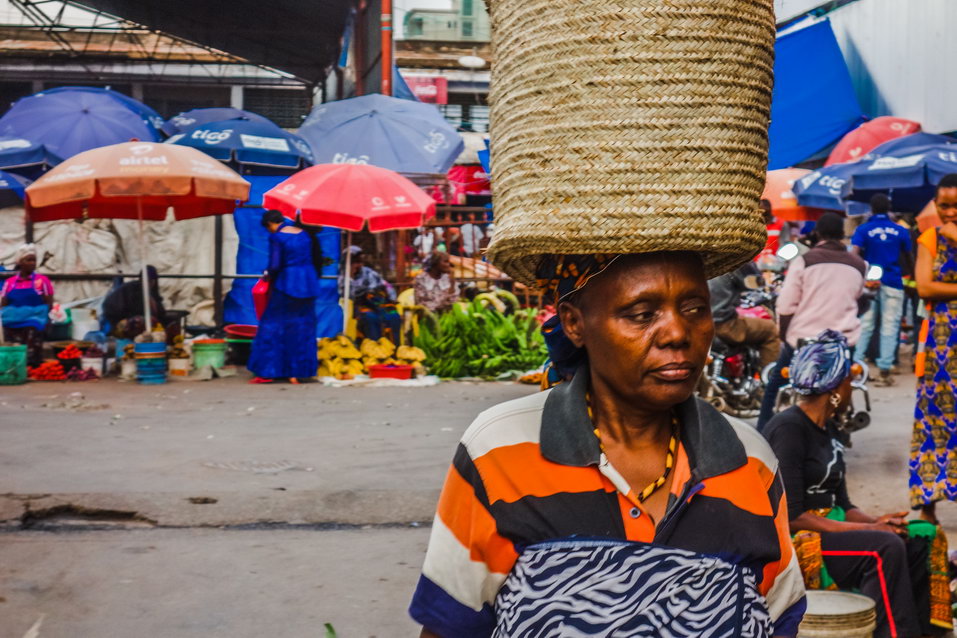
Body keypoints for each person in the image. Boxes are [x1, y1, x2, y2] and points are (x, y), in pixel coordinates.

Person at [410, 252, 806, 637]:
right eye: (641, 314)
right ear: (574, 323)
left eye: (694, 308)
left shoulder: (749, 459)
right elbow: (451, 624)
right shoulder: (499, 450)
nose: (677, 333)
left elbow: (777, 618)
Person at [764, 331, 951, 638]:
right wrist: (870, 531)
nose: (853, 386)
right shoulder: (789, 428)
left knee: (919, 535)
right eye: (850, 379)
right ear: (837, 387)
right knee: (883, 547)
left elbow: (845, 505)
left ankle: (924, 631)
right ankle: (892, 633)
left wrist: (877, 521)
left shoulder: (829, 430)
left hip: (831, 526)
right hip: (801, 539)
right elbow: (793, 516)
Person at [758, 212, 867, 429]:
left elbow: (786, 305)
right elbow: (860, 301)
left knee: (774, 385)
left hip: (803, 341)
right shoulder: (859, 264)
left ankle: (762, 431)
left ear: (817, 234)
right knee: (844, 385)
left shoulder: (804, 261)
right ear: (842, 234)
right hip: (842, 341)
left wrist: (784, 337)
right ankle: (840, 425)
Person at [910, 173, 957, 524]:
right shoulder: (930, 237)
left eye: (955, 205)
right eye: (943, 205)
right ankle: (928, 501)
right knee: (934, 416)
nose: (949, 211)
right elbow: (925, 286)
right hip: (941, 341)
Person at [247, 210, 321, 383]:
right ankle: (298, 372)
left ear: (270, 225)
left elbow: (275, 264)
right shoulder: (304, 234)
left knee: (271, 325)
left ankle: (268, 371)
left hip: (287, 284)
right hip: (308, 283)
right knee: (303, 327)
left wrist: (266, 274)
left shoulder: (277, 237)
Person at [851, 193, 914, 385]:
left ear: (871, 209)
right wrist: (912, 277)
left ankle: (856, 368)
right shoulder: (900, 230)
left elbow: (854, 255)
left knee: (866, 325)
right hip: (893, 281)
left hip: (869, 284)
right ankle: (885, 369)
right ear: (889, 209)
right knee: (890, 326)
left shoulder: (863, 230)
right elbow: (909, 256)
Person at [708, 261, 780, 368]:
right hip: (723, 324)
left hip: (699, 321)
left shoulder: (703, 261)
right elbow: (753, 281)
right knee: (771, 329)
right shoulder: (734, 261)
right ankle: (767, 378)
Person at [0, 243, 53, 366]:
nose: (32, 263)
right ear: (20, 262)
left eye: (34, 260)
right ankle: (14, 364)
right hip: (13, 320)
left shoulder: (42, 281)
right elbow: (4, 304)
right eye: (29, 260)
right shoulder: (10, 283)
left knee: (32, 330)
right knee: (8, 333)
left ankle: (32, 365)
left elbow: (48, 303)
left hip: (35, 319)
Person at [340, 247, 401, 343]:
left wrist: (392, 298)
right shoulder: (342, 276)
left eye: (359, 261)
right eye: (355, 262)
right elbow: (348, 296)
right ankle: (373, 348)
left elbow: (386, 285)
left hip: (378, 302)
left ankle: (393, 348)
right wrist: (350, 276)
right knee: (370, 318)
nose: (359, 265)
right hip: (360, 305)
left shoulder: (368, 272)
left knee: (394, 316)